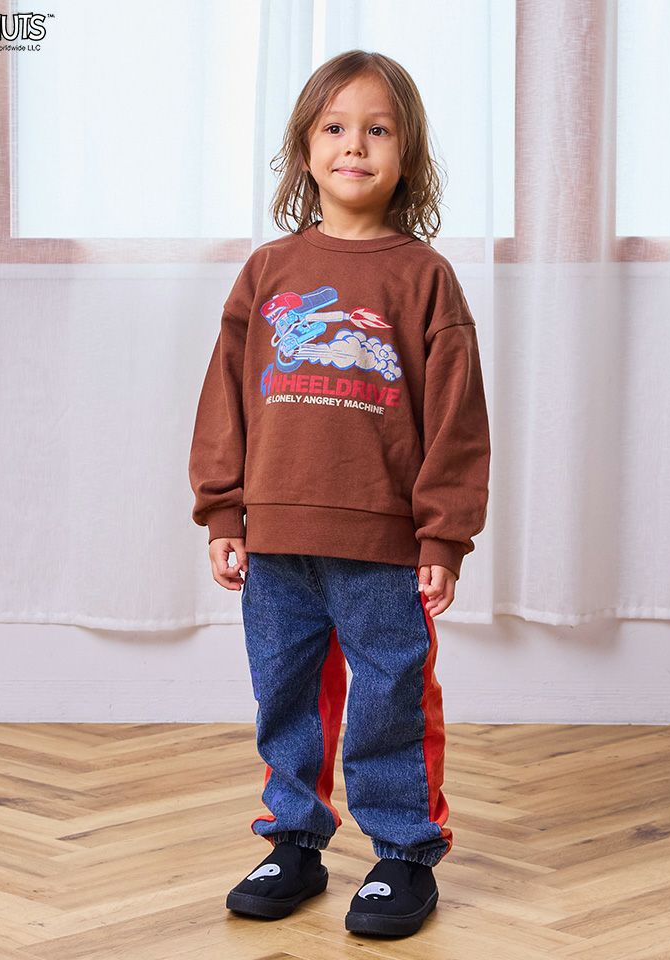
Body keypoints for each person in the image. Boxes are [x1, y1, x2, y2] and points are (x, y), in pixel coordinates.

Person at [188, 49, 490, 939]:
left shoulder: (424, 278)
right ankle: (294, 841)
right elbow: (226, 397)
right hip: (276, 536)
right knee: (286, 693)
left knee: (392, 696)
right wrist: (223, 509)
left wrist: (443, 536)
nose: (354, 144)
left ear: (407, 156)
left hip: (385, 546)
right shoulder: (268, 271)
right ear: (305, 150)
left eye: (377, 129)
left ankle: (403, 853)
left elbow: (457, 421)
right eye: (335, 127)